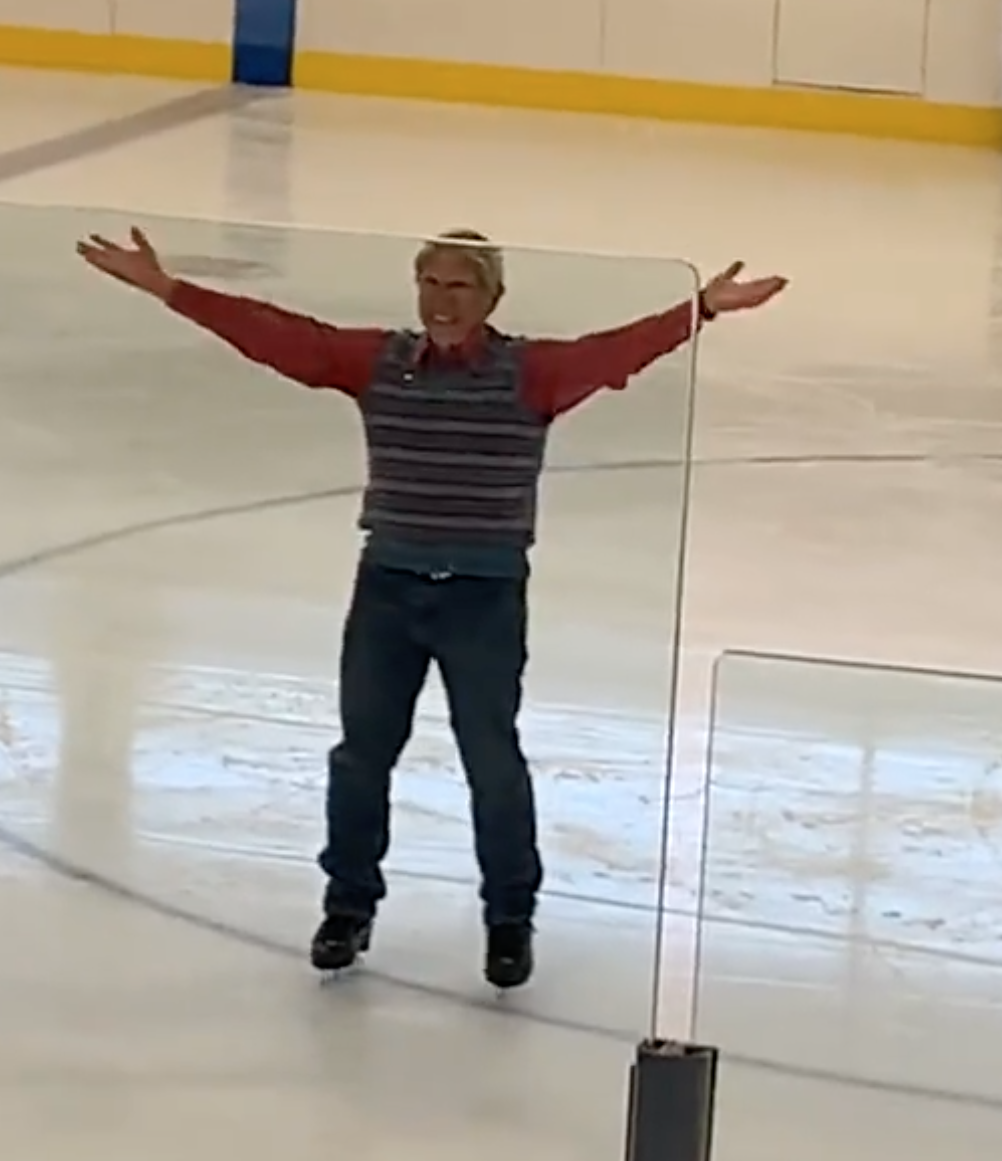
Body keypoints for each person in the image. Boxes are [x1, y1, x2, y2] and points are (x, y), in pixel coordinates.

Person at [78, 225, 787, 987]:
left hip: (483, 597)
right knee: (360, 756)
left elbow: (614, 352)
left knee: (491, 761)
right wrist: (169, 288)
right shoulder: (380, 363)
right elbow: (278, 336)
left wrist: (701, 308)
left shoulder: (529, 373)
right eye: (430, 283)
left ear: (491, 298)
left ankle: (509, 917)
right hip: (388, 587)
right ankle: (348, 905)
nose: (441, 300)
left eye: (459, 286)